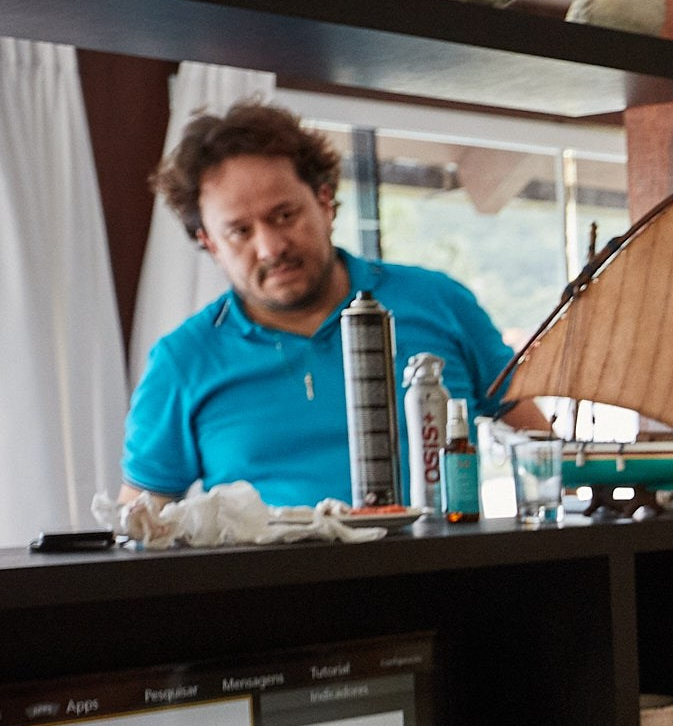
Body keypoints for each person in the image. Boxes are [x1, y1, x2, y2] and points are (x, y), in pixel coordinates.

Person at [121, 100, 549, 509]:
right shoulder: (181, 362)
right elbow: (139, 525)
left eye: (284, 216)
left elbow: (542, 451)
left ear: (325, 203)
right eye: (240, 231)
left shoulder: (442, 302)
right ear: (210, 243)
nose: (270, 247)